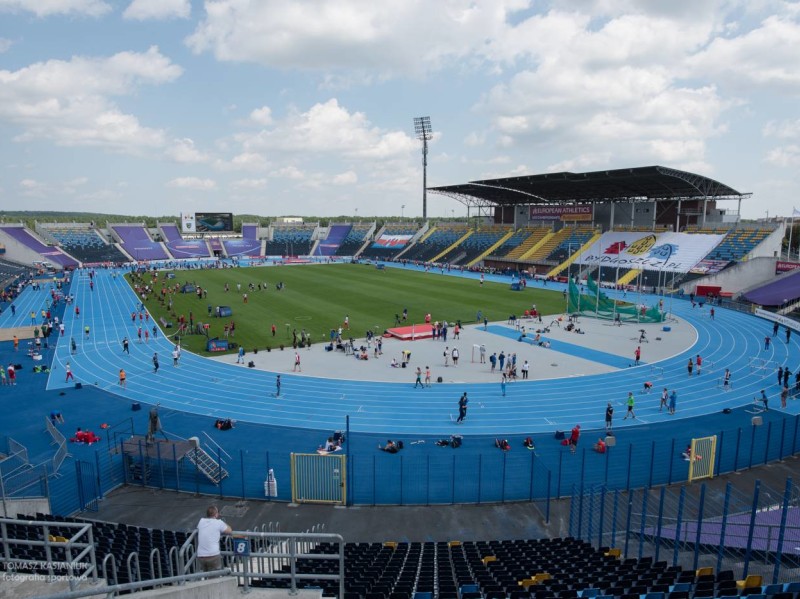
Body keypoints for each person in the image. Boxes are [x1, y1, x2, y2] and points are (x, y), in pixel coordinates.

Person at [197, 505, 232, 572]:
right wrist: (223, 522)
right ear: (216, 515)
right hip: (213, 555)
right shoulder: (219, 522)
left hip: (201, 556)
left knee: (206, 577)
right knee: (214, 579)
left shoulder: (201, 521)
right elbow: (230, 530)